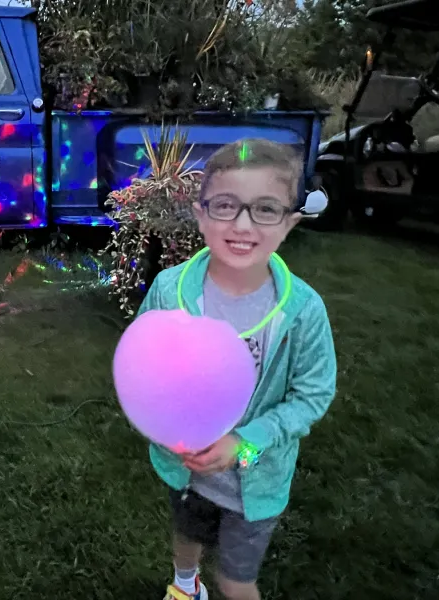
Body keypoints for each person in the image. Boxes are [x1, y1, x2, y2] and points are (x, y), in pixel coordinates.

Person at [136, 138, 338, 600]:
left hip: (254, 476)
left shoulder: (302, 311)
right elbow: (147, 364)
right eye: (226, 206)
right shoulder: (172, 290)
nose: (243, 224)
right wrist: (164, 421)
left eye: (266, 209)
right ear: (201, 214)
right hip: (184, 466)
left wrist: (245, 444)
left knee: (236, 579)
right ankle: (185, 586)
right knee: (187, 535)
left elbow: (312, 395)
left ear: (290, 222)